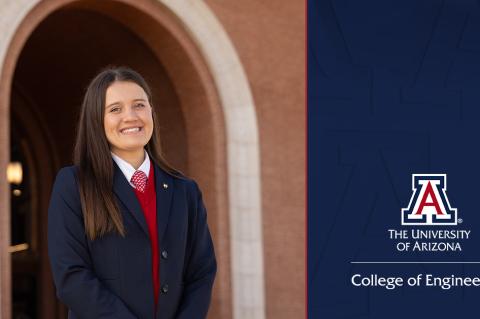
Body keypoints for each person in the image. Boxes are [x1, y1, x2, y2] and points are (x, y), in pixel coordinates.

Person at [47, 67, 217, 319]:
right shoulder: (73, 184)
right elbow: (71, 275)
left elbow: (201, 272)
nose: (130, 116)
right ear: (97, 120)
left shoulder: (185, 191)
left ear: (151, 112)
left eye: (139, 105)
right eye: (115, 109)